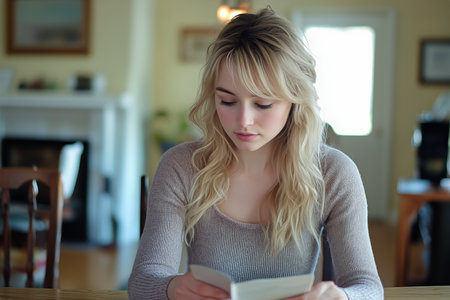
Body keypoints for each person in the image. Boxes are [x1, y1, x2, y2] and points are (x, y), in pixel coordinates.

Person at [128, 7, 383, 300]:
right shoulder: (181, 166)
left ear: (295, 102)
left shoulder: (334, 173)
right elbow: (143, 281)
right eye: (227, 100)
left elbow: (368, 286)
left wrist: (343, 298)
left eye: (262, 104)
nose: (243, 120)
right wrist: (172, 287)